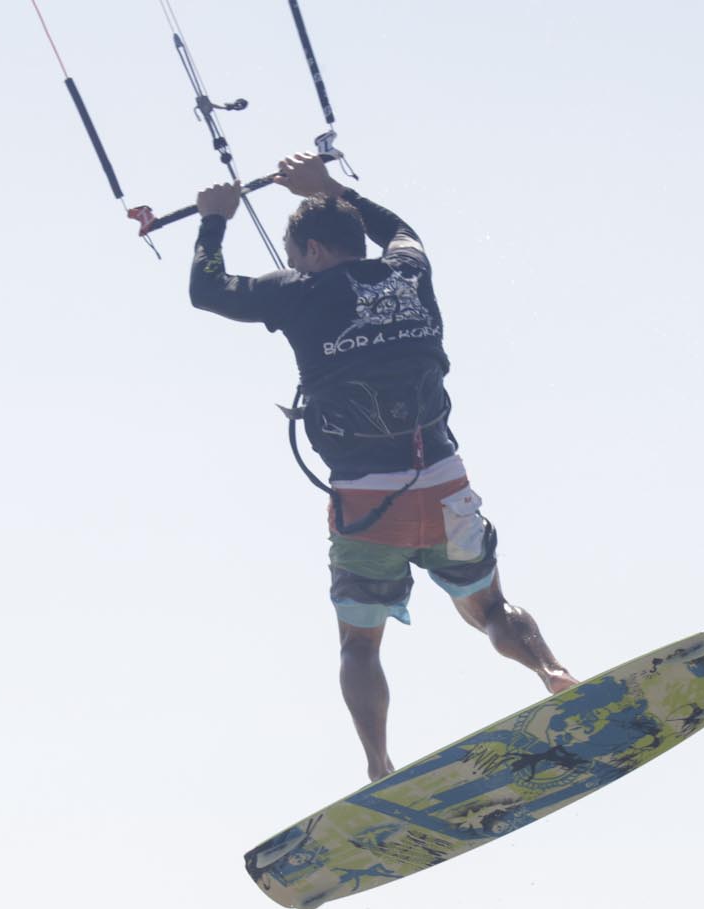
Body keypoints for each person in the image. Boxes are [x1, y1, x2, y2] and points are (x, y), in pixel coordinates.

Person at [189, 153, 580, 782]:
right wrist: (329, 187)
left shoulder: (296, 292)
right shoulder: (409, 273)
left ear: (314, 250)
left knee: (359, 643)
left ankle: (379, 764)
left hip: (367, 508)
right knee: (491, 608)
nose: (293, 265)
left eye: (295, 255)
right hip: (445, 485)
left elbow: (206, 291)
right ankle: (553, 672)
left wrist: (214, 219)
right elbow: (402, 230)